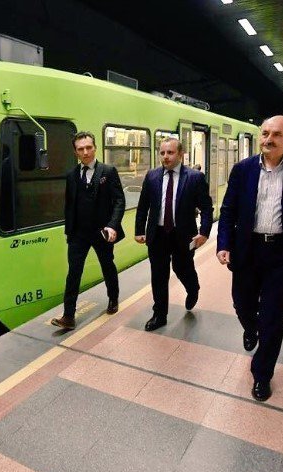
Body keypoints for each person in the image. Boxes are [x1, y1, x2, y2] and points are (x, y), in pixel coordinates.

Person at [217, 115, 283, 402]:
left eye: (276, 134)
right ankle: (251, 327)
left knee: (274, 319)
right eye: (265, 133)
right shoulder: (243, 170)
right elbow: (228, 211)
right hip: (248, 251)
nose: (269, 139)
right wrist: (223, 243)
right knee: (242, 303)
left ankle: (262, 374)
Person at [135, 138, 213, 331]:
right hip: (158, 234)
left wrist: (204, 233)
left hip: (183, 234)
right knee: (159, 275)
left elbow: (206, 208)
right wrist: (139, 231)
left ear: (180, 154)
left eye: (170, 153)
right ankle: (159, 315)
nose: (165, 157)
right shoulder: (152, 176)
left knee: (182, 268)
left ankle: (192, 288)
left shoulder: (194, 177)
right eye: (162, 153)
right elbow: (143, 206)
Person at [51, 131, 126, 330]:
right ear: (75, 152)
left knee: (107, 266)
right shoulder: (71, 175)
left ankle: (113, 299)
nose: (85, 152)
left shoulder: (108, 171)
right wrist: (70, 232)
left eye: (88, 147)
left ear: (95, 148)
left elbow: (119, 200)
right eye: (81, 149)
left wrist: (112, 225)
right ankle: (68, 316)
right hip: (78, 234)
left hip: (101, 232)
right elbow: (70, 206)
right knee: (73, 273)